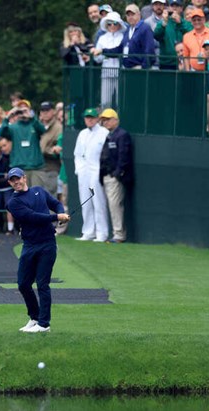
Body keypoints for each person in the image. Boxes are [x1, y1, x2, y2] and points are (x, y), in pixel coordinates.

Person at [5, 168, 70, 334]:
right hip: (29, 244)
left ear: (24, 178)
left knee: (42, 284)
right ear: (10, 183)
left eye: (18, 178)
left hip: (47, 243)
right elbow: (33, 217)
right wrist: (57, 217)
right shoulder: (13, 203)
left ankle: (44, 323)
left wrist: (61, 213)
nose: (16, 182)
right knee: (23, 284)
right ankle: (34, 317)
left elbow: (55, 203)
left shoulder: (38, 191)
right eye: (13, 180)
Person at [73, 108, 110, 242]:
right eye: (87, 117)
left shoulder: (104, 133)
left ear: (97, 118)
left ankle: (102, 233)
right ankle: (88, 232)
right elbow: (77, 154)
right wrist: (79, 170)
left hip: (97, 171)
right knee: (85, 202)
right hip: (84, 172)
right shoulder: (82, 133)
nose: (89, 119)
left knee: (98, 202)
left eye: (92, 117)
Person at [98, 108, 133, 243]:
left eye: (107, 120)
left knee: (115, 205)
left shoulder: (122, 135)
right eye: (103, 120)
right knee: (111, 205)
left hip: (114, 176)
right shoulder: (109, 135)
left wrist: (117, 173)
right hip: (106, 175)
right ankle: (116, 233)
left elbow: (124, 156)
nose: (105, 122)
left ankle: (118, 235)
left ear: (115, 120)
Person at [93, 13, 126, 107]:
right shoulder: (102, 38)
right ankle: (105, 121)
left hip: (120, 72)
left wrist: (105, 53)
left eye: (115, 23)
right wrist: (105, 55)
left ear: (119, 24)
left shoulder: (123, 37)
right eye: (109, 23)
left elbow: (122, 53)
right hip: (106, 72)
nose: (112, 25)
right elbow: (97, 58)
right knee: (105, 101)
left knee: (120, 101)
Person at [155, 0, 193, 70]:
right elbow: (156, 36)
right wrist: (163, 24)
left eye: (177, 6)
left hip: (184, 62)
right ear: (168, 8)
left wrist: (180, 23)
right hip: (166, 63)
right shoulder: (163, 22)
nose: (174, 8)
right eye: (172, 6)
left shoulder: (186, 23)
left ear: (181, 9)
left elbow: (192, 35)